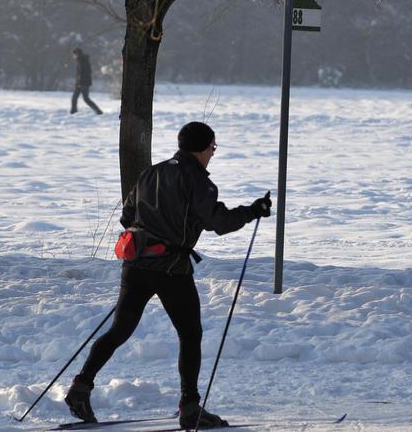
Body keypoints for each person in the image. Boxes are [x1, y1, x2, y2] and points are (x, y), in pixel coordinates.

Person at [64, 121, 272, 429]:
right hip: (171, 269)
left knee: (119, 331)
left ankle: (80, 387)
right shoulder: (198, 181)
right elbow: (218, 221)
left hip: (135, 265)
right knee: (190, 334)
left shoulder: (152, 173)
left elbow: (127, 216)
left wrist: (150, 234)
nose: (213, 154)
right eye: (213, 148)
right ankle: (190, 407)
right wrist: (253, 211)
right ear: (203, 148)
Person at [70, 47, 103, 115]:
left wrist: (80, 83)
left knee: (84, 99)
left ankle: (98, 111)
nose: (73, 56)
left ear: (77, 54)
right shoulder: (81, 60)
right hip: (81, 83)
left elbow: (84, 73)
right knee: (76, 98)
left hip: (83, 83)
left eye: (74, 54)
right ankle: (73, 112)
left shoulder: (83, 60)